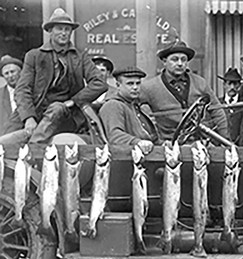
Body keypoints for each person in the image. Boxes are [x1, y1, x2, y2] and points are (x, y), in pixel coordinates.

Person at [0, 8, 107, 145]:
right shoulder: (34, 56)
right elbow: (22, 90)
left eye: (67, 29)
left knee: (57, 108)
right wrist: (29, 118)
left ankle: (32, 150)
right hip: (37, 112)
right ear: (50, 31)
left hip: (67, 115)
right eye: (59, 29)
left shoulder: (80, 57)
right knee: (6, 138)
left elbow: (100, 83)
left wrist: (74, 101)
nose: (63, 33)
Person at [140, 40, 228, 142]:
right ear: (164, 62)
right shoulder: (149, 87)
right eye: (174, 59)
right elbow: (130, 107)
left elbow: (217, 111)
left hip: (199, 143)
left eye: (183, 60)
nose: (180, 64)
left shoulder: (200, 83)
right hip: (168, 146)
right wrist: (151, 137)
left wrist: (224, 139)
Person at [100, 66, 157, 151]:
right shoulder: (113, 105)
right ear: (118, 85)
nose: (135, 87)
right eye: (130, 83)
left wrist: (162, 143)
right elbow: (114, 136)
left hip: (148, 153)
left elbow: (151, 137)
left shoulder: (136, 106)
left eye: (138, 83)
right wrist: (137, 142)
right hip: (127, 157)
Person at [218, 67, 243, 143]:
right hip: (220, 147)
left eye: (235, 83)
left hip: (240, 147)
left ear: (239, 85)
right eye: (229, 83)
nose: (232, 87)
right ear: (224, 85)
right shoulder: (218, 104)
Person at [0, 55, 23, 131]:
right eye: (6, 73)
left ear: (20, 72)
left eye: (12, 72)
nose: (10, 76)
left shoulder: (29, 91)